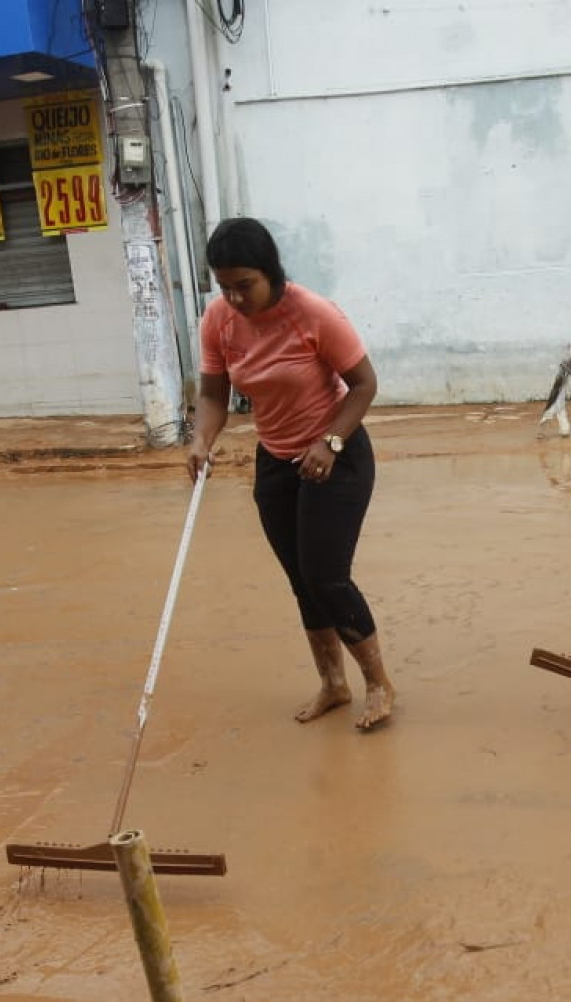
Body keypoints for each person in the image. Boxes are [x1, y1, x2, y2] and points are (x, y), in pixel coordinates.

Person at [186, 217, 397, 730]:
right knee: (302, 581)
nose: (234, 298)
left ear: (271, 273)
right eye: (224, 287)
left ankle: (378, 683)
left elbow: (364, 384)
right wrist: (201, 439)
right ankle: (332, 684)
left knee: (327, 576)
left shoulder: (313, 313)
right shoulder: (218, 319)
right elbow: (215, 394)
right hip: (276, 459)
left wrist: (330, 441)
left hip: (335, 455)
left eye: (245, 286)